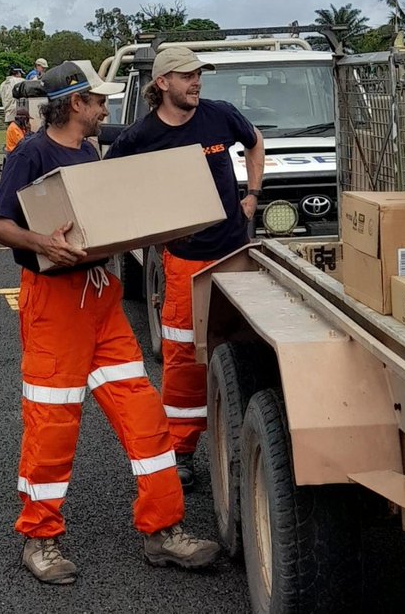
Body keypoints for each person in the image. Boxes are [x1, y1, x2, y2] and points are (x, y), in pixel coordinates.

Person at [0, 61, 220, 585]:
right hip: (54, 307)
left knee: (145, 415)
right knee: (52, 425)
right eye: (97, 102)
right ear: (73, 104)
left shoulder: (87, 150)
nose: (105, 110)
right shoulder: (32, 152)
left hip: (102, 300)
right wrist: (42, 242)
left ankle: (162, 532)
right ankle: (40, 538)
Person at [105, 47, 265, 491]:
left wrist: (252, 193)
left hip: (235, 253)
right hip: (183, 262)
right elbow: (109, 184)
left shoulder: (220, 116)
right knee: (182, 357)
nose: (197, 82)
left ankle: (241, 438)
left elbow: (255, 143)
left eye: (199, 75)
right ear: (162, 84)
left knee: (240, 344)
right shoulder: (141, 136)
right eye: (187, 76)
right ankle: (182, 451)